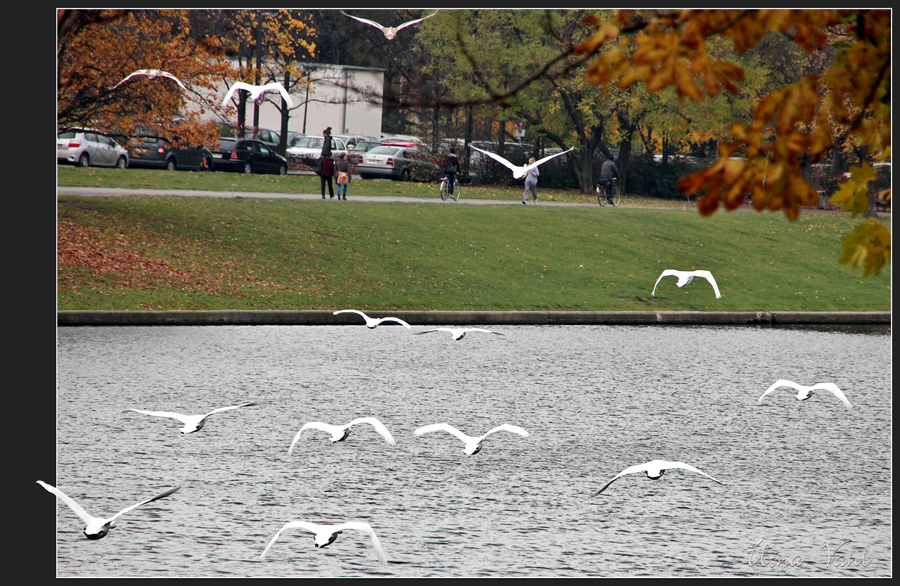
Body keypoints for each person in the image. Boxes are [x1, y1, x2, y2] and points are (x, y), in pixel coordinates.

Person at [319, 127, 335, 199]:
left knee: (323, 183)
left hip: (323, 173)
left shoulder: (327, 140)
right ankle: (331, 194)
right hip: (328, 174)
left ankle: (323, 194)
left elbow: (325, 148)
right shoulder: (328, 139)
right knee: (329, 183)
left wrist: (323, 154)